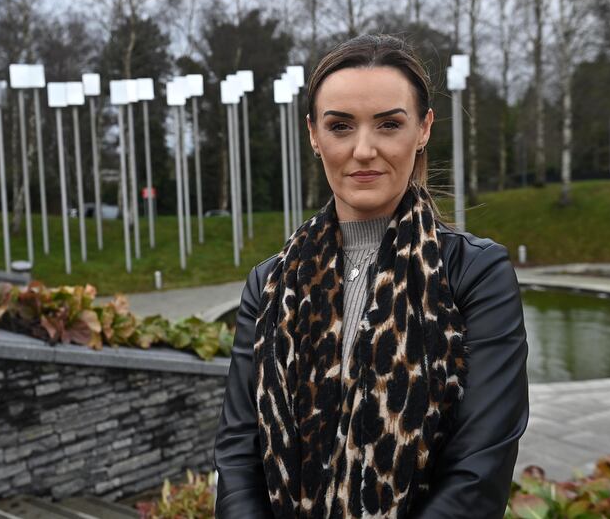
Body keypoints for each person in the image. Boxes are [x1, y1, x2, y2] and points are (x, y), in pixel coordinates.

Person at [213, 34, 529, 519]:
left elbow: (478, 472)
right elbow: (238, 454)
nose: (364, 150)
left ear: (423, 128)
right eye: (340, 126)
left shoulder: (476, 274)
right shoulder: (269, 284)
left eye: (388, 125)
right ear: (314, 136)